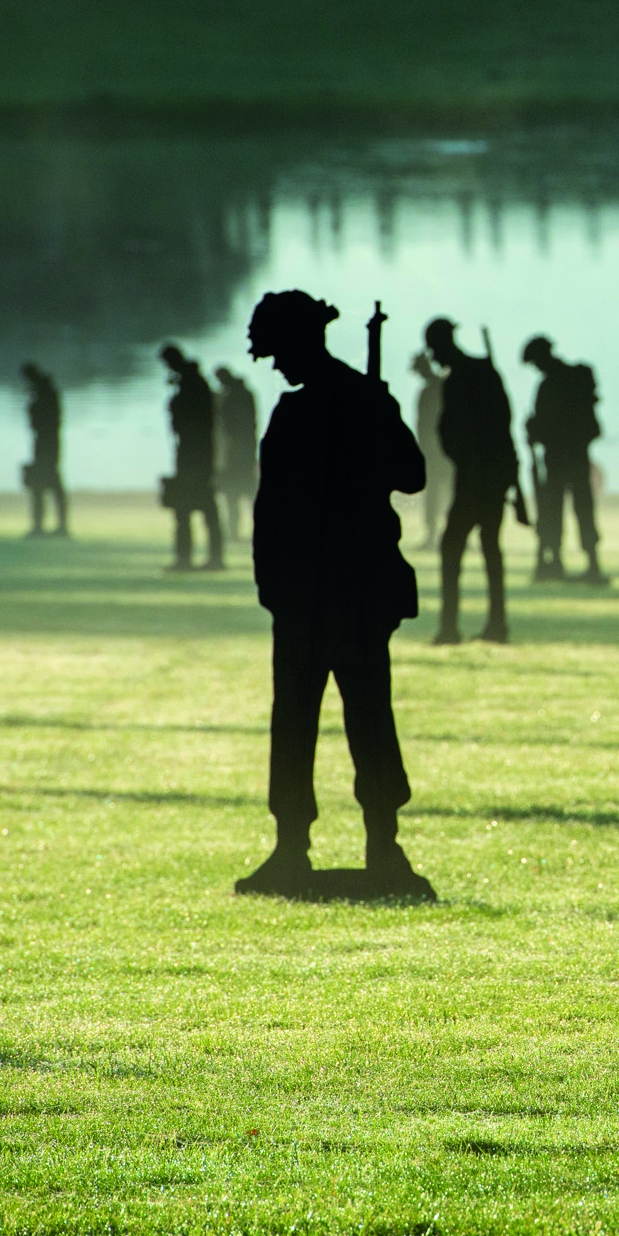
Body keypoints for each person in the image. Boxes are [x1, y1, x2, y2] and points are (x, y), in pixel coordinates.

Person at [234, 292, 432, 901]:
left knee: (359, 719)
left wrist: (377, 418)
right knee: (305, 720)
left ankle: (379, 844)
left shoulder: (347, 404)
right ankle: (298, 846)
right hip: (313, 593)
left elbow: (410, 474)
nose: (274, 366)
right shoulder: (323, 407)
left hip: (341, 589)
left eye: (278, 352)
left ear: (301, 344)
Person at [424, 318, 519, 646]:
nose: (433, 356)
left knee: (456, 548)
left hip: (478, 477)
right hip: (487, 476)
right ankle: (494, 623)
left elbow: (491, 427)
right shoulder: (477, 373)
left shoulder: (461, 379)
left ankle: (455, 625)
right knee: (487, 548)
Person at [523, 335, 605, 584]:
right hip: (569, 458)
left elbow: (552, 425)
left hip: (563, 458)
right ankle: (575, 562)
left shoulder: (554, 384)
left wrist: (535, 430)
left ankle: (571, 562)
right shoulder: (573, 378)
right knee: (570, 510)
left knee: (563, 510)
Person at [159, 345, 224, 573]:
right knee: (199, 507)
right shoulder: (194, 383)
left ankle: (192, 557)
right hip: (196, 454)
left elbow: (191, 423)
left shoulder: (191, 385)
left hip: (194, 456)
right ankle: (204, 557)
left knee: (193, 506)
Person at [21, 362, 67, 539]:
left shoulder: (44, 393)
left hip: (46, 444)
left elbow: (42, 421)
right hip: (47, 443)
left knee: (45, 484)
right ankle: (49, 525)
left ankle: (45, 526)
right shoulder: (45, 391)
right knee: (47, 484)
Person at [215, 366, 259, 543]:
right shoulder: (245, 394)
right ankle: (244, 530)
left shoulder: (230, 397)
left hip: (236, 456)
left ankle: (234, 531)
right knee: (248, 495)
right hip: (246, 454)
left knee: (233, 496)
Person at [411, 350, 449, 551]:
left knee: (437, 495)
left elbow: (423, 425)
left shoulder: (431, 391)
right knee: (441, 495)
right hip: (442, 453)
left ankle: (435, 536)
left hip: (438, 453)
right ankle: (435, 535)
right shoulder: (440, 388)